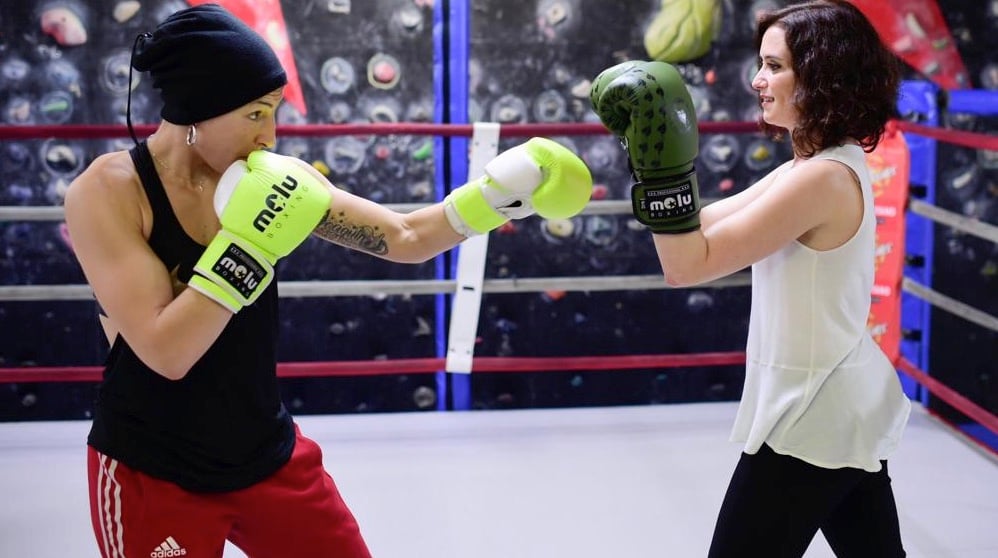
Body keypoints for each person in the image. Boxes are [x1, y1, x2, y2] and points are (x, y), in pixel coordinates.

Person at [64, 4, 592, 557]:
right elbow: (166, 352)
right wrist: (248, 246)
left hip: (264, 452)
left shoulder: (269, 179)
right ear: (197, 108)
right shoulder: (108, 193)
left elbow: (404, 238)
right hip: (153, 467)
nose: (269, 135)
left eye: (274, 113)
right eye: (255, 114)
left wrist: (499, 195)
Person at [590, 0, 911, 556]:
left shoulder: (821, 180)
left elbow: (687, 264)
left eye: (776, 66)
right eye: (761, 64)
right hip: (834, 396)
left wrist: (661, 167)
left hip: (813, 414)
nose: (758, 81)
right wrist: (648, 162)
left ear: (823, 74)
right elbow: (703, 223)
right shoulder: (811, 166)